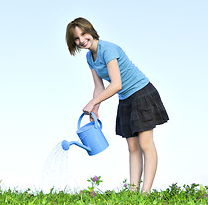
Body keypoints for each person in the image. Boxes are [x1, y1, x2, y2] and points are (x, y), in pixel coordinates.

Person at [65, 17, 169, 193]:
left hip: (141, 93)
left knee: (145, 144)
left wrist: (92, 103)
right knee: (132, 147)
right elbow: (99, 87)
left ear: (90, 31)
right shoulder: (90, 57)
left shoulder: (109, 49)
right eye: (76, 38)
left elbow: (116, 84)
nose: (81, 40)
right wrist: (95, 110)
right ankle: (133, 192)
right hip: (126, 99)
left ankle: (146, 193)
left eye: (83, 34)